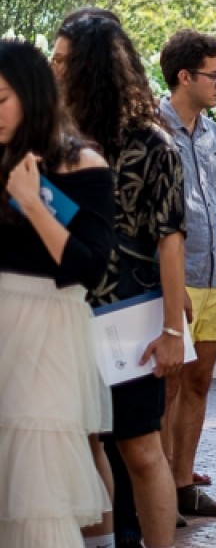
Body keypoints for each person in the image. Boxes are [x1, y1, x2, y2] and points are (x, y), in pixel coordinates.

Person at [57, 14, 186, 548]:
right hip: (63, 311)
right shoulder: (54, 141)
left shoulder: (152, 144)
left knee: (140, 447)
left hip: (129, 314)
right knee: (85, 441)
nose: (53, 66)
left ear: (89, 67)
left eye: (64, 59)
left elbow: (171, 238)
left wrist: (173, 329)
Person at [0, 39, 115, 547]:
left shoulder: (80, 164)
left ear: (30, 93)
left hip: (48, 326)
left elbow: (87, 269)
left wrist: (32, 201)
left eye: (0, 98)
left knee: (38, 485)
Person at [155, 30, 216, 519]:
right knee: (167, 386)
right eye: (215, 75)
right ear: (184, 76)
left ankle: (185, 485)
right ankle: (158, 488)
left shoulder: (213, 132)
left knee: (201, 382)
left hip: (213, 275)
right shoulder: (151, 130)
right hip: (176, 278)